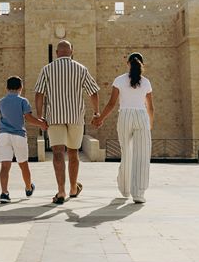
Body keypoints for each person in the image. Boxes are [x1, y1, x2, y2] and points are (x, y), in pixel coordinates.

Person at [34, 40, 101, 205]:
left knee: (57, 153)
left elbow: (39, 94)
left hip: (55, 117)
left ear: (56, 53)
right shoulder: (81, 69)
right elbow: (93, 92)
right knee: (73, 152)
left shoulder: (47, 69)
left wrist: (40, 117)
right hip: (76, 117)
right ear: (72, 51)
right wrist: (96, 112)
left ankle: (61, 191)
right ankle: (73, 188)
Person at [92, 52, 154, 203]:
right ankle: (138, 194)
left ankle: (125, 189)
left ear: (128, 64)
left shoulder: (119, 80)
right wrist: (150, 125)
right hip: (142, 117)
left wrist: (100, 119)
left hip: (125, 116)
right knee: (142, 155)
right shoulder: (146, 82)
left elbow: (111, 104)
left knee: (127, 152)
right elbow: (150, 107)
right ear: (142, 64)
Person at [0, 76, 48, 203]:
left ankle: (4, 193)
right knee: (23, 164)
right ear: (21, 87)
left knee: (5, 166)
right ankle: (28, 187)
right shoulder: (23, 101)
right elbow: (28, 118)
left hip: (3, 135)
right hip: (18, 135)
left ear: (7, 87)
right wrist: (41, 124)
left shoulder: (1, 102)